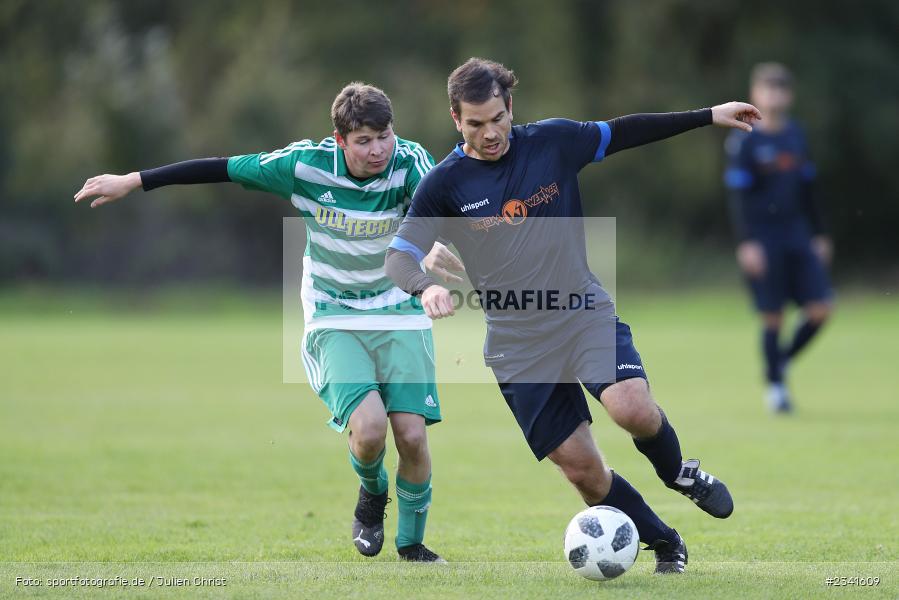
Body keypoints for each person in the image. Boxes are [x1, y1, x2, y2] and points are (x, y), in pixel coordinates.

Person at [385, 58, 760, 573]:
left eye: (497, 118)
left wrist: (707, 115)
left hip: (580, 312)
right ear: (456, 120)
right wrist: (423, 286)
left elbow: (625, 130)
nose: (490, 133)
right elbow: (399, 255)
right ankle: (665, 542)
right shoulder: (445, 184)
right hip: (517, 345)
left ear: (510, 106)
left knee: (632, 409)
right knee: (583, 471)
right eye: (475, 124)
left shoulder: (554, 141)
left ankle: (680, 473)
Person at [74, 82, 464, 563]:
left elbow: (439, 203)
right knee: (368, 433)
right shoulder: (303, 166)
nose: (378, 149)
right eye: (364, 140)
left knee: (411, 434)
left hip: (399, 309)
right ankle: (372, 491)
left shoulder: (409, 162)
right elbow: (222, 168)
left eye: (384, 135)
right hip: (334, 312)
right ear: (339, 140)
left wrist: (436, 241)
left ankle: (412, 547)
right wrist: (135, 179)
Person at [724, 62, 833, 413]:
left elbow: (809, 190)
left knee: (820, 309)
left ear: (789, 95)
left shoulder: (796, 135)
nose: (773, 96)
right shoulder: (743, 140)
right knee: (773, 315)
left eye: (779, 89)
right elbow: (738, 197)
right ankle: (776, 389)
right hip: (763, 237)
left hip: (797, 234)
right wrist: (747, 242)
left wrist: (819, 234)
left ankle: (779, 362)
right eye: (766, 89)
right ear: (755, 94)